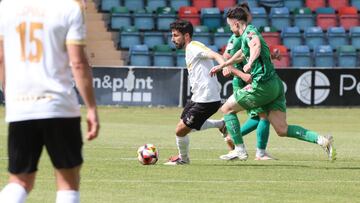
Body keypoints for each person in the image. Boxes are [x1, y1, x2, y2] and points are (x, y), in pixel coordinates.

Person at [0, 0, 100, 202]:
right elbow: (78, 63)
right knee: (68, 183)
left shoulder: (7, 6)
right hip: (59, 106)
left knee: (19, 182)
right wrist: (91, 107)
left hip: (21, 106)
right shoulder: (70, 8)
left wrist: (10, 96)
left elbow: (2, 58)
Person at [210, 7, 336, 161]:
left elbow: (255, 47)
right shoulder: (247, 34)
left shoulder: (249, 33)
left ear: (236, 24)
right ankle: (322, 140)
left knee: (227, 109)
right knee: (282, 129)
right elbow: (242, 53)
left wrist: (249, 63)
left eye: (230, 25)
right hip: (275, 84)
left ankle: (240, 150)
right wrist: (223, 65)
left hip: (261, 85)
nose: (230, 28)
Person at [164, 19, 228, 165]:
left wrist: (224, 65)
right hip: (197, 97)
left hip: (207, 99)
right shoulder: (189, 50)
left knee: (180, 130)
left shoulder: (194, 46)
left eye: (175, 35)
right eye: (172, 35)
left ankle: (183, 159)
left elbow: (214, 54)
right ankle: (221, 124)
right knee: (182, 127)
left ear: (186, 36)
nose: (173, 39)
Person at [221, 2, 277, 160]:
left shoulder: (248, 33)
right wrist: (240, 73)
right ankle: (243, 145)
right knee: (261, 115)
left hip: (255, 79)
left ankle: (251, 148)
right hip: (243, 81)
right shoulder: (236, 37)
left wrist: (272, 57)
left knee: (262, 115)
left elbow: (254, 51)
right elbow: (228, 58)